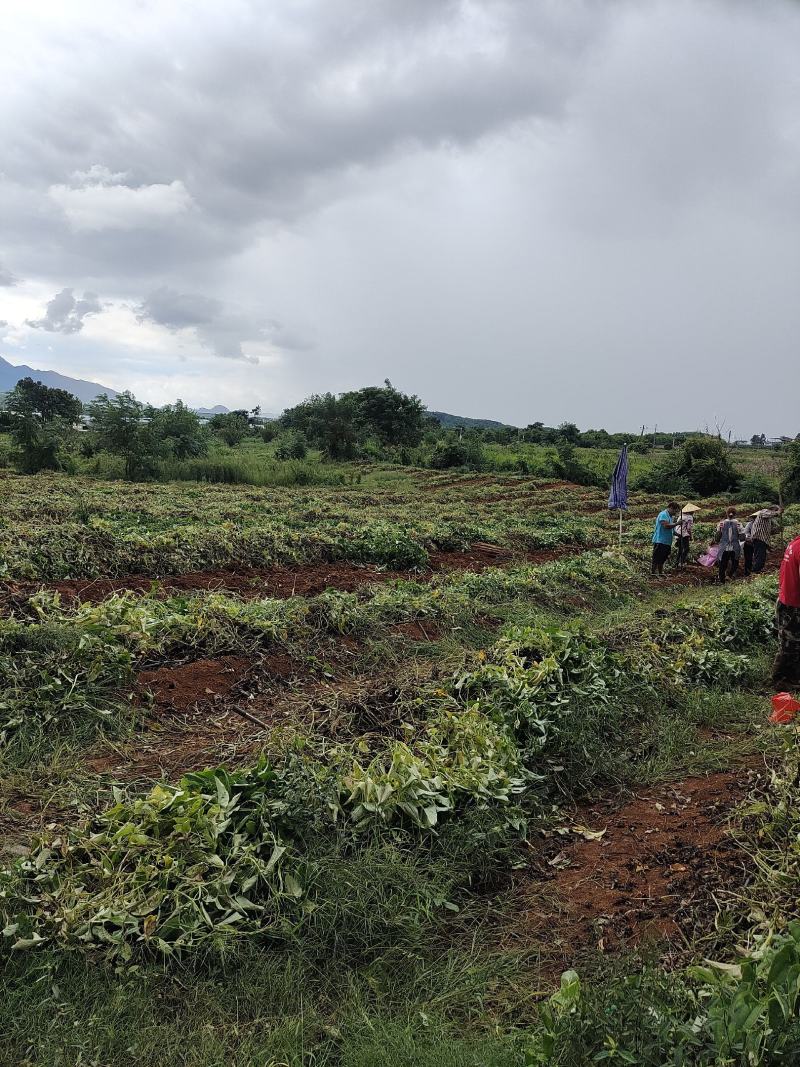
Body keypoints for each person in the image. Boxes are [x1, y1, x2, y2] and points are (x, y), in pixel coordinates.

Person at [773, 534, 800, 687]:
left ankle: (793, 675)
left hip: (786, 599)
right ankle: (783, 680)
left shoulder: (795, 542)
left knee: (788, 640)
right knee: (791, 643)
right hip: (793, 604)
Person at [750, 506, 782, 574]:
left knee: (761, 555)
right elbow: (768, 514)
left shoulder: (768, 520)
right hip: (759, 537)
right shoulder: (764, 511)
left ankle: (757, 569)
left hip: (762, 539)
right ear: (772, 510)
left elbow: (769, 531)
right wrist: (778, 512)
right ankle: (756, 570)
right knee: (760, 555)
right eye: (774, 510)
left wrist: (778, 530)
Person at [715, 507, 743, 584]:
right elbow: (742, 538)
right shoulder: (738, 524)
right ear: (735, 514)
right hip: (734, 547)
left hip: (724, 547)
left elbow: (717, 538)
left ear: (727, 514)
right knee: (735, 563)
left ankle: (722, 581)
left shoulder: (721, 524)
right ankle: (729, 576)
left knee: (722, 565)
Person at [651, 501, 680, 576]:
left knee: (663, 558)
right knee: (656, 558)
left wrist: (679, 535)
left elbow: (672, 531)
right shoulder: (663, 514)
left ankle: (660, 573)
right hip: (660, 540)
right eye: (675, 511)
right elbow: (666, 526)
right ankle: (653, 574)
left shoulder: (670, 517)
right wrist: (677, 523)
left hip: (667, 542)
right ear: (671, 508)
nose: (675, 513)